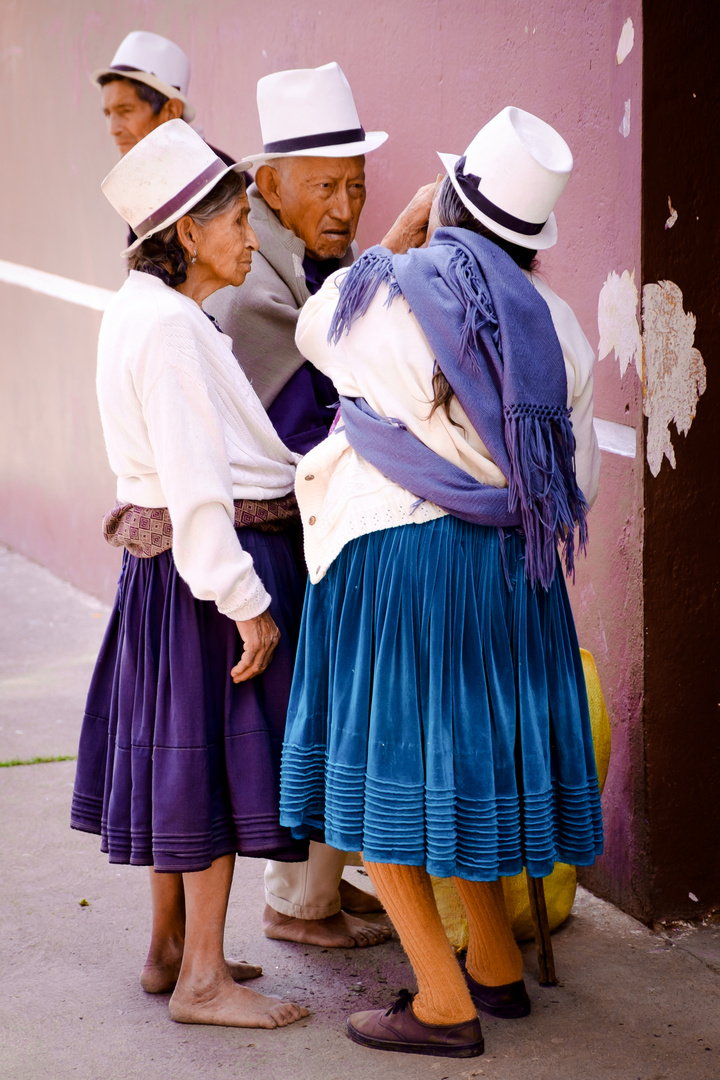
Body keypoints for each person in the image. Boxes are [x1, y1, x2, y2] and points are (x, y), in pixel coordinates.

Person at [279, 106, 604, 1057]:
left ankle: (440, 1003)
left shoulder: (389, 295)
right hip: (515, 577)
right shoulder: (561, 327)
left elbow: (312, 328)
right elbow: (574, 477)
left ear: (448, 207)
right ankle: (495, 972)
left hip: (403, 570)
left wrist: (392, 237)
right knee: (461, 775)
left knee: (386, 784)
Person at [70, 118, 309, 1030]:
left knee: (185, 760)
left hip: (170, 575)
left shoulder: (144, 309)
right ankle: (205, 980)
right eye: (239, 220)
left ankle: (172, 949)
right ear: (184, 236)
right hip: (204, 575)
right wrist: (245, 602)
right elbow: (197, 485)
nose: (251, 237)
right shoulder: (171, 328)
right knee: (211, 773)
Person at [206, 61, 433, 949]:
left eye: (358, 187)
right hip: (263, 531)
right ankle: (298, 903)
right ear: (268, 187)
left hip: (310, 523)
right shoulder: (249, 273)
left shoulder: (303, 255)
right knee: (305, 709)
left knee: (326, 701)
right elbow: (308, 398)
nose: (345, 207)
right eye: (326, 187)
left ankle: (314, 894)